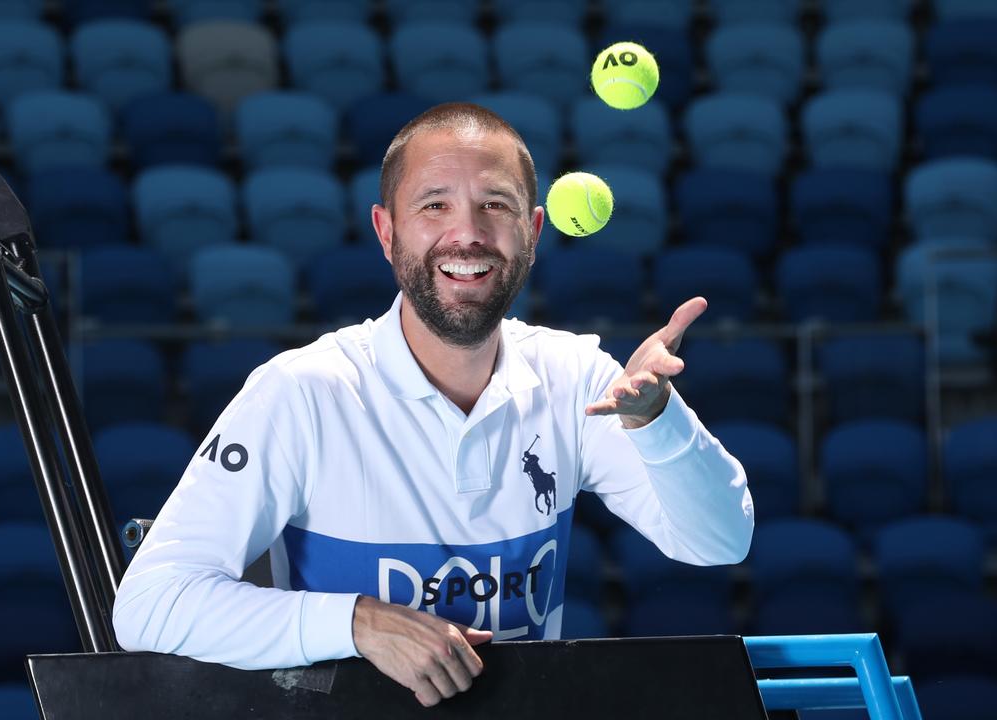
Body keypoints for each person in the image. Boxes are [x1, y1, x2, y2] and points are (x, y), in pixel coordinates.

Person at [112, 102, 754, 708]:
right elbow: (150, 603)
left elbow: (720, 541)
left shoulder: (576, 376)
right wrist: (360, 622)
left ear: (532, 231)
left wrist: (656, 422)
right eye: (434, 205)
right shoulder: (302, 392)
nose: (467, 234)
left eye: (494, 205)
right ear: (386, 232)